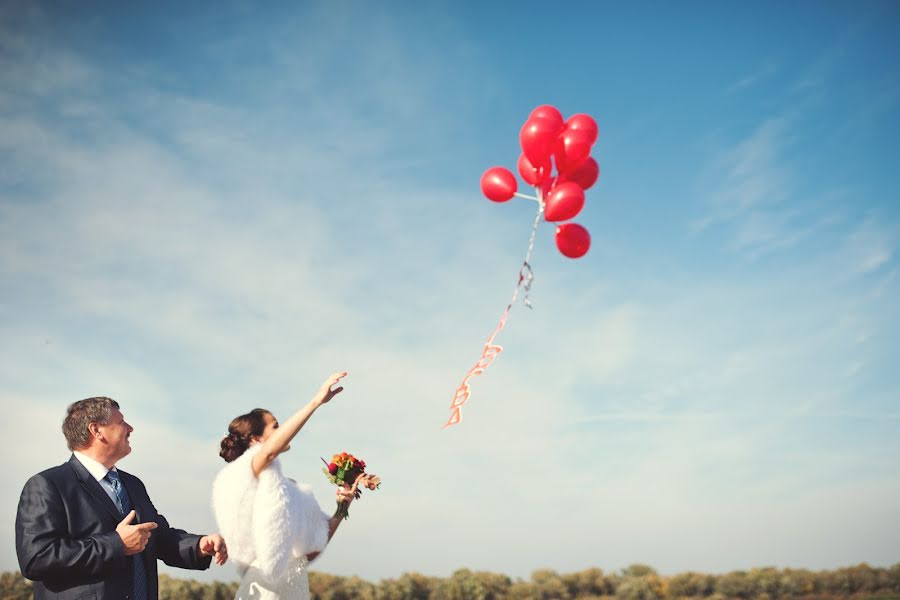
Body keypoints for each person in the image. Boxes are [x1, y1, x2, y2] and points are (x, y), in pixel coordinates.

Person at [15, 396, 229, 600]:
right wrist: (116, 544)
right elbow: (37, 558)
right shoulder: (47, 485)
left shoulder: (133, 484)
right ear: (96, 430)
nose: (130, 429)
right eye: (121, 422)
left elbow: (157, 537)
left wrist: (199, 545)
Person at [212, 371, 377, 599]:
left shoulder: (291, 488)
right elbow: (269, 453)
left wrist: (342, 505)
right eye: (275, 427)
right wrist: (316, 402)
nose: (282, 432)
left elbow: (313, 549)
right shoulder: (249, 475)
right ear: (256, 439)